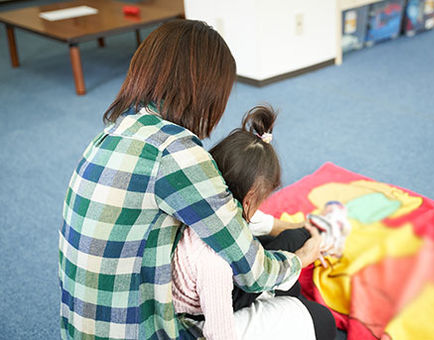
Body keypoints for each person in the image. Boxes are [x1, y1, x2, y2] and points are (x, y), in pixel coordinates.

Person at [58, 20, 322, 339]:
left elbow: (222, 221)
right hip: (145, 329)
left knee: (285, 243)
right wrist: (301, 259)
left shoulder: (112, 133)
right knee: (318, 321)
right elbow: (252, 270)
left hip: (83, 329)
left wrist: (277, 229)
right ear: (207, 89)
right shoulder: (176, 151)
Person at [171, 106, 336, 340]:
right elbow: (220, 334)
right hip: (204, 312)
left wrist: (307, 228)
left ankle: (286, 300)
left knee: (294, 238)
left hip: (209, 286)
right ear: (249, 200)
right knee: (323, 321)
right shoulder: (212, 261)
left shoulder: (206, 200)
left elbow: (263, 224)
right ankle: (289, 308)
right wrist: (303, 259)